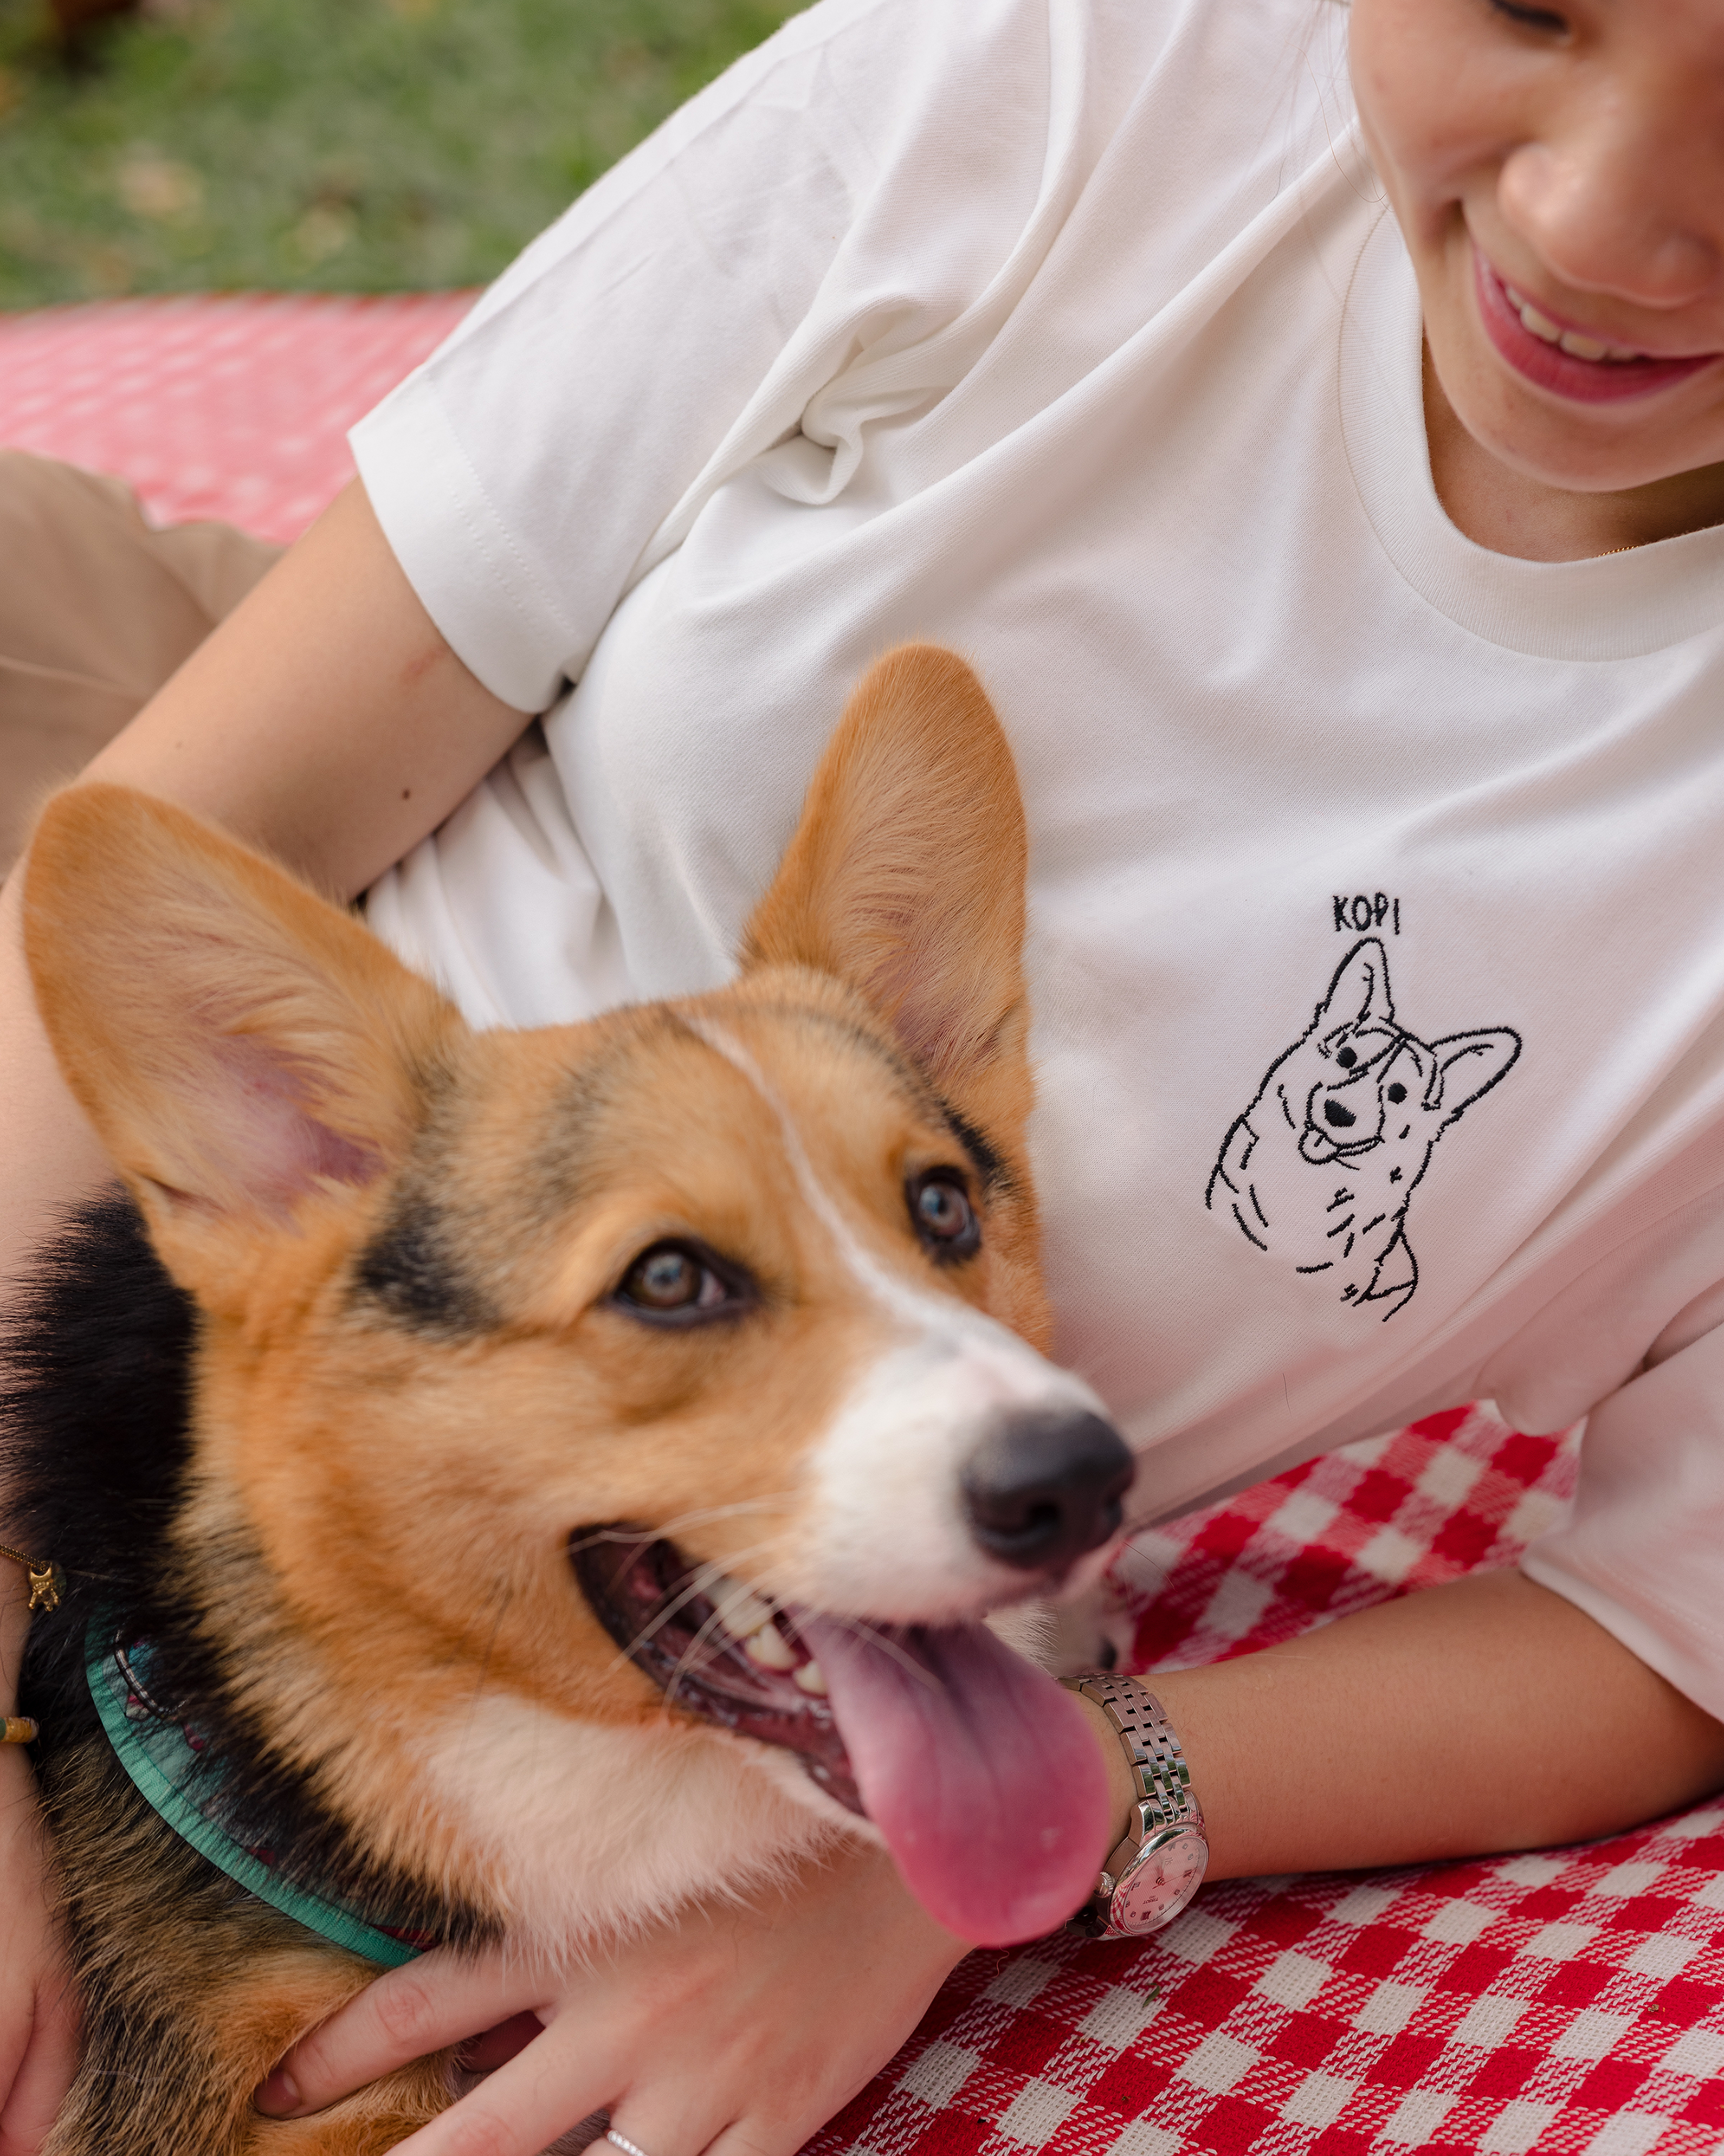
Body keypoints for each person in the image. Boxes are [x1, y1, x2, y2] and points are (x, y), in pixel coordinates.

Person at [6, 0, 1724, 2148]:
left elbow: (1675, 1632)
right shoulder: (1071, 64)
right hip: (238, 932)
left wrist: (1068, 1802)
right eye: (1526, 3)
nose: (1599, 225)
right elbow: (221, 812)